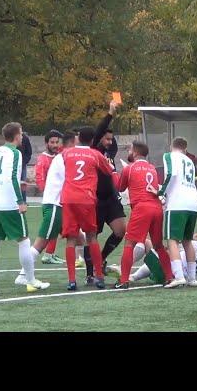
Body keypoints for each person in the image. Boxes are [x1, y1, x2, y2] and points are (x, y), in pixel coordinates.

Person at [0, 122, 49, 295]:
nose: (22, 136)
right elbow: (12, 177)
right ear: (17, 135)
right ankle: (30, 280)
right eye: (21, 133)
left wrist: (20, 183)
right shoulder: (16, 153)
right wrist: (20, 200)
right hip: (9, 203)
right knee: (24, 240)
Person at [15, 131, 87, 285]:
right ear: (71, 143)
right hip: (55, 205)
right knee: (41, 243)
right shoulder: (64, 158)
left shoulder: (62, 157)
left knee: (81, 238)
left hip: (60, 205)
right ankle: (23, 275)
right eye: (77, 143)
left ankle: (93, 269)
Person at [58, 126, 117, 291]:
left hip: (68, 198)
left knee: (70, 239)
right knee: (91, 237)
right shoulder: (95, 154)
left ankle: (71, 281)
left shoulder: (67, 153)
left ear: (78, 138)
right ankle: (99, 277)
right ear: (93, 140)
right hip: (86, 199)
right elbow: (109, 170)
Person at [113, 141, 173, 289]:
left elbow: (120, 187)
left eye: (130, 149)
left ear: (135, 152)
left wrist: (113, 172)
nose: (129, 151)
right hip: (157, 208)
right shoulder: (152, 168)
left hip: (141, 208)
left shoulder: (130, 168)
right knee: (158, 245)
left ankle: (124, 280)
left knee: (129, 243)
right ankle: (170, 277)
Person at [83, 100, 127, 284]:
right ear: (98, 139)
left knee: (120, 230)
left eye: (111, 139)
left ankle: (99, 260)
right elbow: (100, 129)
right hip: (96, 200)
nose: (109, 142)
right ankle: (89, 273)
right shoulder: (94, 150)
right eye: (107, 139)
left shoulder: (110, 152)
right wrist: (110, 113)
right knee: (91, 236)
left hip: (111, 200)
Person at [158, 136, 197, 288]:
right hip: (193, 202)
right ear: (185, 148)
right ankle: (192, 278)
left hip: (177, 202)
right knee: (187, 240)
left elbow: (170, 175)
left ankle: (179, 276)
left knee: (172, 239)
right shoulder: (189, 160)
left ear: (171, 146)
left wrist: (160, 192)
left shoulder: (169, 156)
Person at [126, 229, 197, 285]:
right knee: (158, 256)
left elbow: (170, 251)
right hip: (182, 278)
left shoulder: (193, 244)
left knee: (145, 242)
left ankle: (125, 269)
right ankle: (133, 277)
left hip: (170, 276)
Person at [34, 130, 66, 265]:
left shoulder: (60, 156)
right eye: (52, 142)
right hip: (52, 200)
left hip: (62, 199)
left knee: (59, 228)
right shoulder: (43, 158)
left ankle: (49, 254)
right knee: (57, 229)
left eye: (57, 142)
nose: (55, 145)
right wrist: (47, 192)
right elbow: (39, 178)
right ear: (46, 143)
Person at [17, 132, 33, 202]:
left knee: (22, 184)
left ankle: (23, 201)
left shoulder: (25, 138)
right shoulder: (12, 138)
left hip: (22, 165)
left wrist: (24, 162)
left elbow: (29, 152)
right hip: (12, 165)